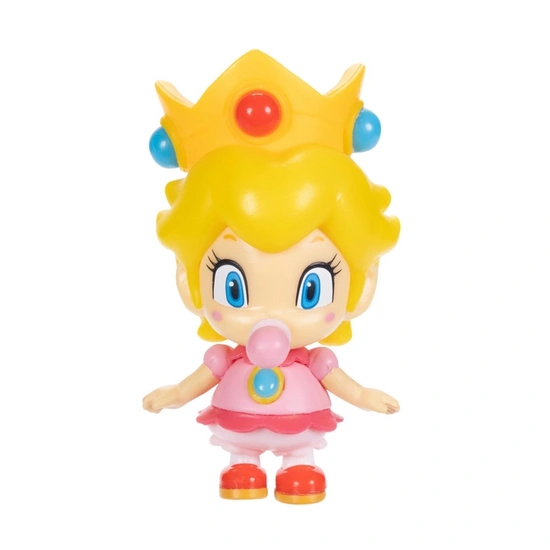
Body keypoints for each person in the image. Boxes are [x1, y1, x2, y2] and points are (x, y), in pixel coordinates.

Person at [143, 51, 400, 504]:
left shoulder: (314, 363)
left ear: (361, 287)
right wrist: (175, 393)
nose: (271, 319)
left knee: (300, 462)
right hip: (238, 421)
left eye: (311, 288)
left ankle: (299, 463)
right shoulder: (224, 358)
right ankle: (242, 463)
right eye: (234, 286)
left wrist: (364, 395)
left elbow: (345, 385)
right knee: (241, 465)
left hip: (300, 421)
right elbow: (195, 381)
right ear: (189, 281)